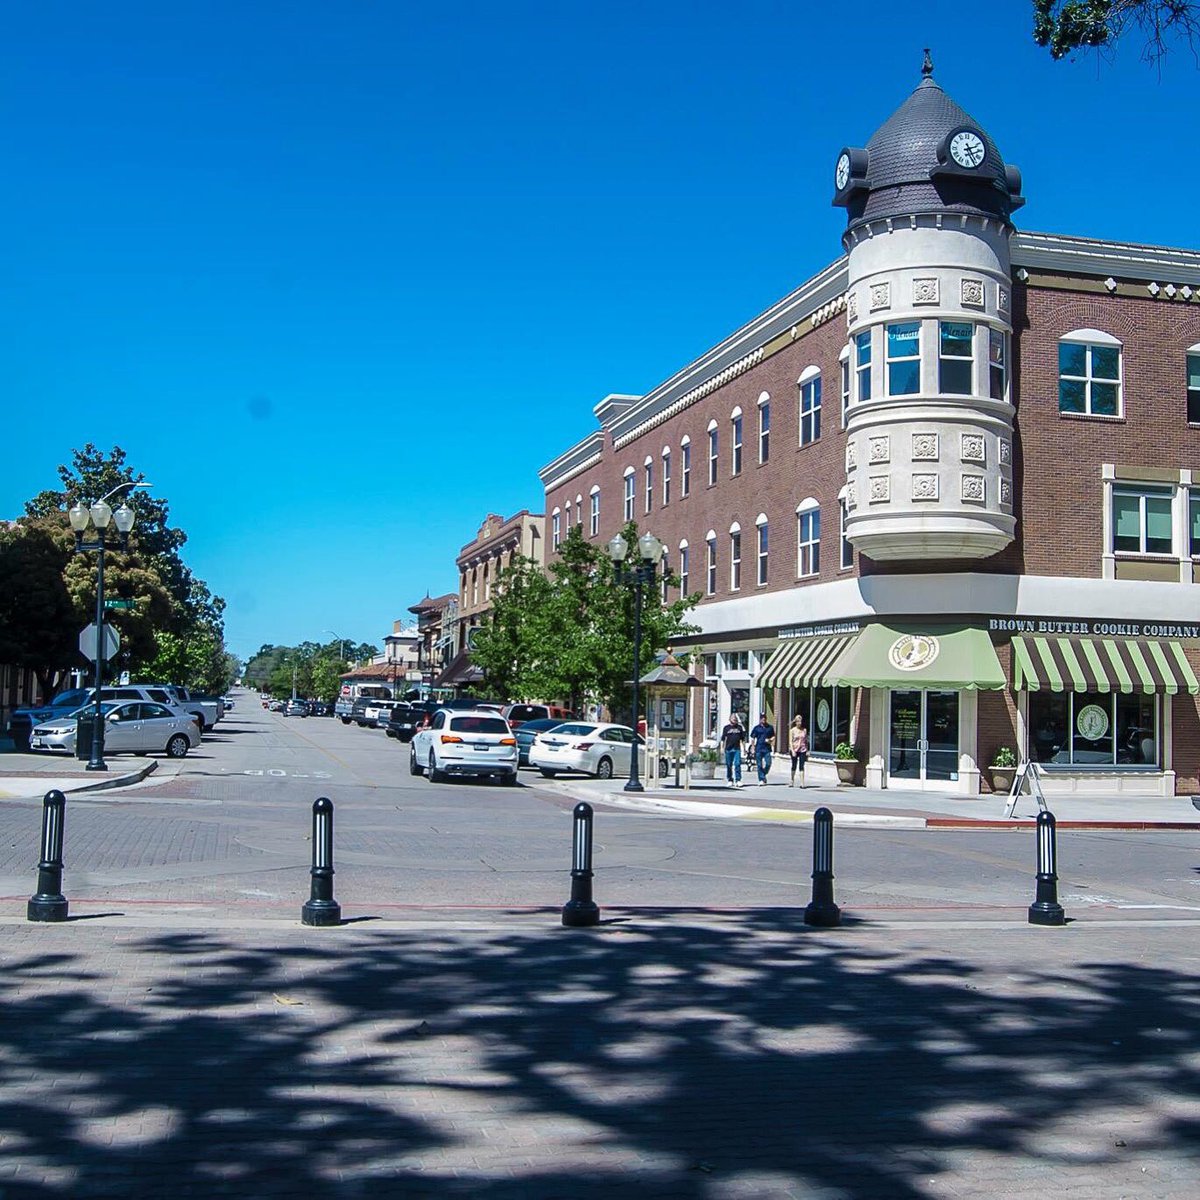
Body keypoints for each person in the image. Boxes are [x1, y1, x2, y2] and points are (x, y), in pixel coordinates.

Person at [720, 713, 746, 788]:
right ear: (730, 719)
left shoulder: (739, 728)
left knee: (737, 764)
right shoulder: (726, 728)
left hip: (737, 749)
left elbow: (743, 739)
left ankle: (738, 780)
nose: (734, 719)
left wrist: (744, 749)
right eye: (733, 718)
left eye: (735, 718)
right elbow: (723, 739)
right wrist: (722, 748)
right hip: (728, 749)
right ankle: (730, 780)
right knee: (729, 765)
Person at [749, 714, 776, 785]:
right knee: (759, 765)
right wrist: (752, 747)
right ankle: (761, 779)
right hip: (759, 748)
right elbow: (752, 738)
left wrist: (770, 740)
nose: (763, 719)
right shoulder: (756, 728)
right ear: (760, 719)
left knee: (768, 763)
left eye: (764, 718)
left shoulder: (770, 727)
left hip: (767, 748)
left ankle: (763, 774)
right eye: (762, 718)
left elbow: (773, 736)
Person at [789, 715, 808, 787]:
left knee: (802, 765)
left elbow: (806, 740)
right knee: (794, 765)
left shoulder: (804, 730)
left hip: (802, 749)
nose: (800, 723)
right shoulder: (792, 730)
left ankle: (802, 783)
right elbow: (790, 741)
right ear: (796, 722)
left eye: (801, 721)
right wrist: (793, 751)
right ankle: (792, 780)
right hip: (795, 749)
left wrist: (807, 750)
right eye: (798, 722)